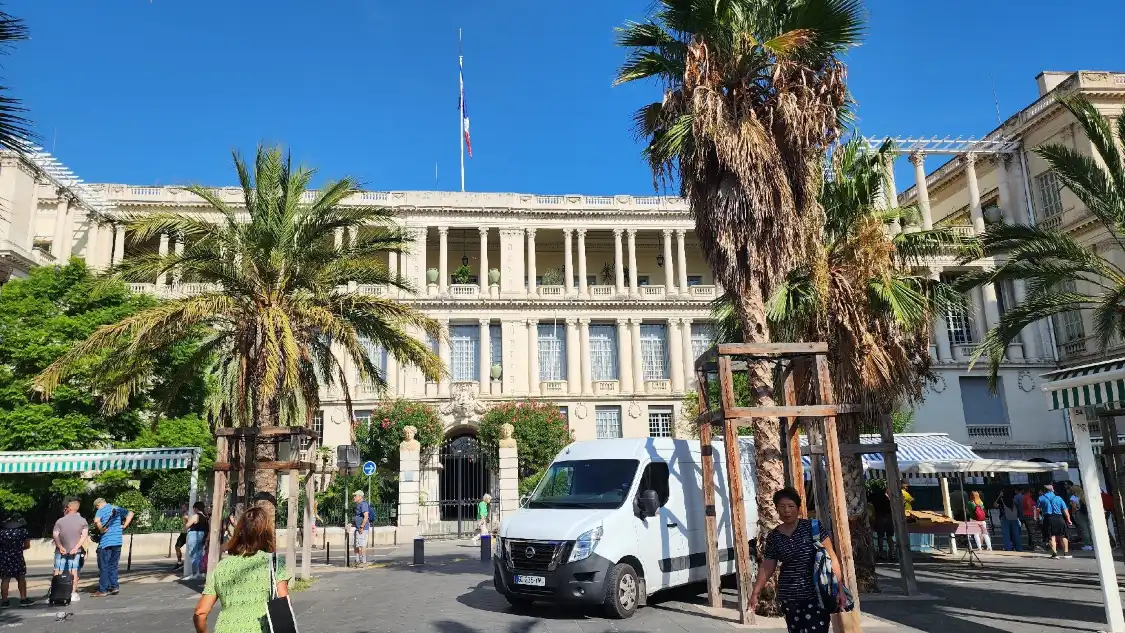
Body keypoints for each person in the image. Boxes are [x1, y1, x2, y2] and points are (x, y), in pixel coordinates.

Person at [750, 488, 849, 633]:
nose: (787, 511)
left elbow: (831, 558)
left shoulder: (813, 527)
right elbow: (767, 566)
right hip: (789, 597)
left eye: (791, 506)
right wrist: (755, 593)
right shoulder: (774, 537)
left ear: (798, 508)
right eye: (782, 507)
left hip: (817, 594)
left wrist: (839, 588)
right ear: (777, 509)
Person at [192, 507, 290, 633]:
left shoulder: (222, 566)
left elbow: (200, 612)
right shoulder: (273, 563)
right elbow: (283, 607)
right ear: (267, 533)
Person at [92, 497, 134, 597]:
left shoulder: (100, 510)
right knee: (113, 565)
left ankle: (103, 590)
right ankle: (114, 586)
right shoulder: (117, 508)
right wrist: (124, 526)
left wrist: (101, 529)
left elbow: (96, 521)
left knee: (103, 566)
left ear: (98, 504)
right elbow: (131, 513)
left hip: (106, 542)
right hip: (117, 541)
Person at [52, 498, 88, 603]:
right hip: (75, 551)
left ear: (68, 508)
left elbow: (55, 535)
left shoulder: (60, 521)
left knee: (58, 570)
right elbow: (84, 536)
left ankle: (55, 592)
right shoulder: (83, 521)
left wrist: (59, 546)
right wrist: (76, 547)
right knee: (74, 571)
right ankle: (72, 593)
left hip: (60, 551)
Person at [0, 512, 32, 607]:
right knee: (21, 578)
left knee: (5, 579)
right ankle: (23, 599)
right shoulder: (23, 531)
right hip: (17, 557)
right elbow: (27, 545)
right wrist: (17, 549)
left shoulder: (2, 532)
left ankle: (5, 601)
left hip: (4, 558)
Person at [1037, 483, 1073, 559]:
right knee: (1063, 535)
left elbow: (1037, 509)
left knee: (1051, 536)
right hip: (1059, 518)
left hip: (1048, 518)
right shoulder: (1059, 498)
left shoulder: (1041, 498)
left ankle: (1055, 553)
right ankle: (1066, 553)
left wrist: (1037, 517)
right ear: (1052, 490)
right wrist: (1069, 519)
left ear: (1044, 491)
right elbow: (1065, 510)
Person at [185, 502, 210, 579]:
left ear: (196, 508)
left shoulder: (196, 516)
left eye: (194, 508)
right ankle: (200, 572)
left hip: (193, 535)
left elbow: (187, 526)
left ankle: (194, 573)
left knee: (193, 554)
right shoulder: (205, 517)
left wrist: (186, 519)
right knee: (199, 554)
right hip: (202, 535)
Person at [869, 486, 893, 560]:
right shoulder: (888, 499)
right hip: (888, 517)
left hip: (879, 517)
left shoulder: (875, 497)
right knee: (889, 536)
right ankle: (892, 553)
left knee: (881, 537)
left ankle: (881, 553)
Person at [1068, 485, 1093, 551]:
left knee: (1084, 529)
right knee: (1089, 527)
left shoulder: (1074, 497)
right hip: (1088, 512)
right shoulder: (1085, 495)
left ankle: (1087, 544)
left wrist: (1073, 513)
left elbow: (1074, 506)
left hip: (1079, 513)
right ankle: (1093, 542)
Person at [351, 490, 371, 566]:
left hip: (362, 529)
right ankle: (357, 560)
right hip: (357, 528)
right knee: (356, 545)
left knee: (361, 545)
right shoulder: (358, 505)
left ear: (360, 496)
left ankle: (363, 561)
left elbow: (366, 516)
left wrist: (361, 527)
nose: (354, 497)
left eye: (355, 496)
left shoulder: (363, 504)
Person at [175, 503, 190, 570]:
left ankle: (181, 563)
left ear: (187, 507)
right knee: (177, 547)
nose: (182, 509)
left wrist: (187, 519)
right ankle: (179, 563)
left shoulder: (188, 514)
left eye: (183, 507)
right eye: (182, 507)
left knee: (178, 546)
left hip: (186, 533)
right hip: (183, 533)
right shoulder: (185, 514)